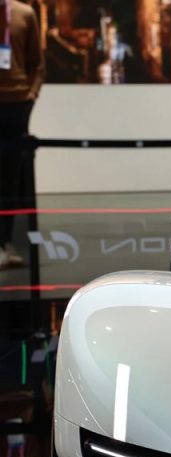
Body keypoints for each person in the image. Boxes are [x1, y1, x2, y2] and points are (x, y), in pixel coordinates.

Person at [0, 0, 43, 269]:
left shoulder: (24, 14)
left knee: (11, 176)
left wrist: (30, 96)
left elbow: (37, 64)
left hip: (16, 104)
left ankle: (6, 242)